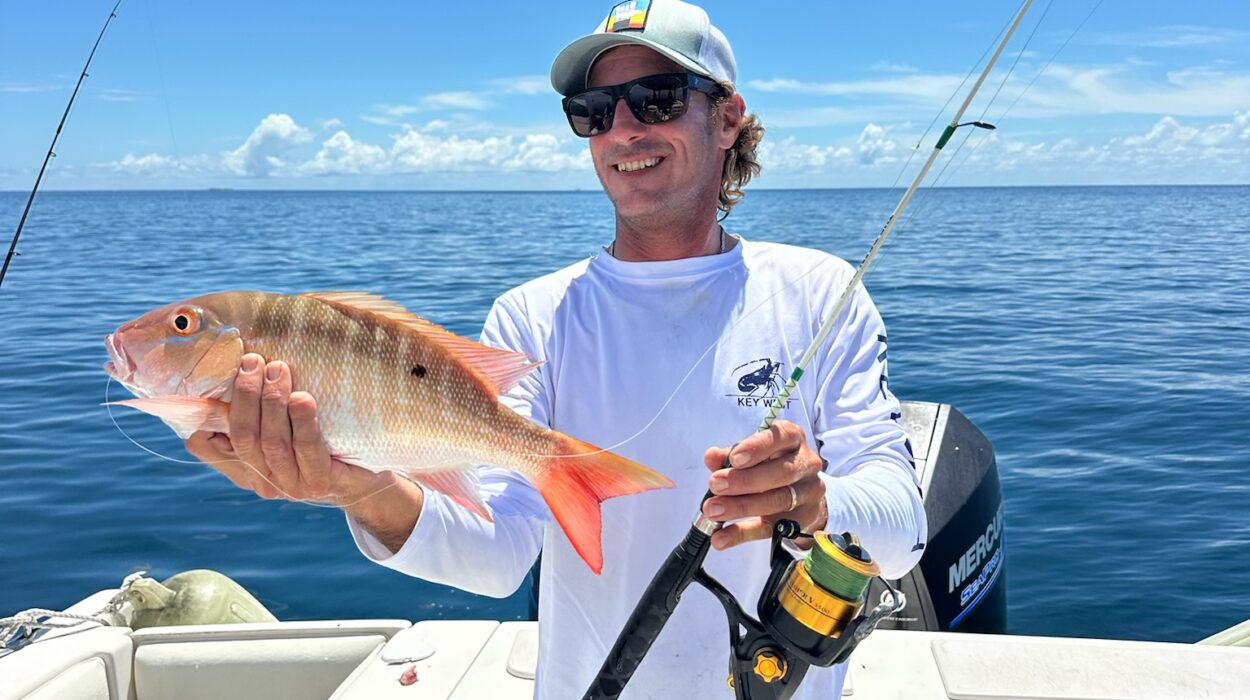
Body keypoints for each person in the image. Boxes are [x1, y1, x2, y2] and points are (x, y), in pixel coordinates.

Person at [186, 0, 926, 696]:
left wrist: (818, 500)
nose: (623, 131)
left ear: (728, 118)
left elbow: (905, 527)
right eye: (594, 113)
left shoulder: (821, 293)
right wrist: (354, 485)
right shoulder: (531, 317)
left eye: (658, 99)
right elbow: (497, 552)